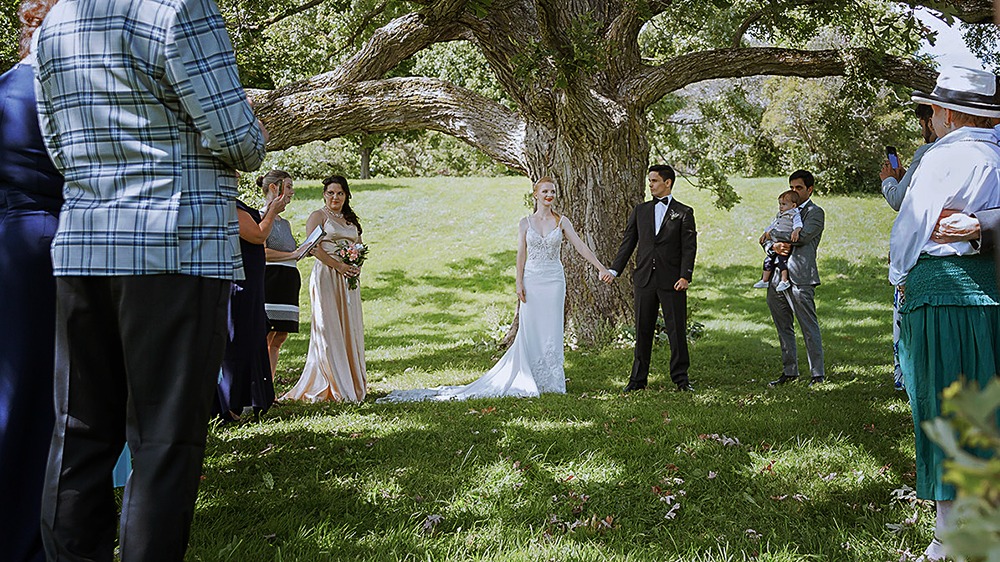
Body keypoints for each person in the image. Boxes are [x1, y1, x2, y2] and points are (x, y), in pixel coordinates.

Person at [33, 0, 267, 558]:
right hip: (172, 248)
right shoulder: (179, 8)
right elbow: (242, 141)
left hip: (85, 244)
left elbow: (57, 146)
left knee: (78, 437)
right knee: (163, 444)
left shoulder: (57, 21)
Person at [888, 66, 1000, 562]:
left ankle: (951, 538)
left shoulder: (943, 157)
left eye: (931, 110)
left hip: (943, 290)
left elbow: (911, 229)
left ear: (948, 113)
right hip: (993, 288)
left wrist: (899, 277)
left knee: (942, 407)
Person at [378, 177, 611, 403]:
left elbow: (581, 246)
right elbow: (521, 255)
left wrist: (601, 267)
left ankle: (552, 380)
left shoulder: (562, 222)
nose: (549, 195)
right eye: (545, 192)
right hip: (532, 280)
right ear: (536, 194)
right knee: (531, 328)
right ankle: (529, 375)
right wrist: (518, 282)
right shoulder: (525, 223)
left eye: (552, 191)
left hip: (554, 281)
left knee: (551, 328)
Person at [0, 2, 61, 560]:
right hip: (52, 250)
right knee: (44, 398)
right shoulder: (65, 97)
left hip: (9, 247)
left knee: (14, 388)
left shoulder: (2, 90)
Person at [606, 164, 697, 393]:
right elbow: (628, 243)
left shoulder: (684, 212)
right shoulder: (641, 210)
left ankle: (681, 379)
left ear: (668, 183)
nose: (650, 185)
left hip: (672, 281)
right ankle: (637, 380)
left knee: (676, 330)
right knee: (642, 330)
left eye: (654, 181)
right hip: (644, 279)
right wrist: (615, 270)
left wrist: (685, 276)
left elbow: (689, 248)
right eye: (650, 181)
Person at [283, 175, 368, 403]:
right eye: (330, 193)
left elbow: (359, 244)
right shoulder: (318, 216)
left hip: (348, 278)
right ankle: (332, 382)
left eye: (340, 193)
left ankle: (352, 380)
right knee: (329, 325)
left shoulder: (351, 220)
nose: (335, 197)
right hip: (327, 275)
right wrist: (338, 265)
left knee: (349, 326)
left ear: (346, 195)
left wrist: (355, 265)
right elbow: (313, 248)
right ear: (324, 194)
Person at [215, 173, 290, 421]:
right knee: (240, 340)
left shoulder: (236, 204)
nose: (237, 177)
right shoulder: (230, 207)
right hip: (241, 282)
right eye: (232, 175)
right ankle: (231, 404)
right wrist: (271, 212)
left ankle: (255, 398)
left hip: (252, 282)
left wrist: (271, 209)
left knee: (256, 334)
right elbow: (257, 235)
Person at [880, 103, 938, 391]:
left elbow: (899, 201)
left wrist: (889, 180)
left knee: (906, 321)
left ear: (931, 120)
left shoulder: (928, 153)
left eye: (922, 122)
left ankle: (905, 378)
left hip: (920, 253)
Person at [766, 170, 826, 387]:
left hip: (801, 277)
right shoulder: (783, 209)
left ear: (809, 190)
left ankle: (817, 374)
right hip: (777, 277)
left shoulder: (815, 213)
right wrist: (772, 245)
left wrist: (772, 236)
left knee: (808, 327)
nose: (794, 191)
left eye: (799, 188)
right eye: (791, 187)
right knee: (783, 326)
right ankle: (789, 372)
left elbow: (802, 237)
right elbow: (766, 238)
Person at [262, 171, 300, 379]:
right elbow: (262, 252)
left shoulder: (285, 224)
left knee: (280, 336)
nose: (292, 191)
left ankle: (270, 388)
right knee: (266, 335)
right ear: (274, 188)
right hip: (270, 281)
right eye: (289, 186)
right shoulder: (259, 217)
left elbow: (289, 252)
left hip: (288, 281)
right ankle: (259, 388)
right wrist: (292, 254)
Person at [752, 190, 802, 292]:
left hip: (785, 242)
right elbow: (773, 225)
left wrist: (796, 231)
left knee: (782, 261)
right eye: (780, 204)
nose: (781, 207)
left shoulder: (794, 214)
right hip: (776, 242)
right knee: (768, 260)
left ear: (793, 205)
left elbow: (798, 224)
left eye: (784, 204)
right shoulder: (780, 214)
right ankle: (765, 280)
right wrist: (765, 234)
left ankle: (784, 280)